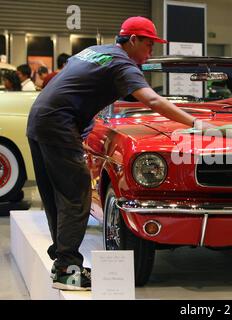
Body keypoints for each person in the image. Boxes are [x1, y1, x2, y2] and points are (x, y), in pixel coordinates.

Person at [26, 16, 215, 291]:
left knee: (57, 194)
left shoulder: (96, 51)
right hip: (58, 123)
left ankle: (63, 261)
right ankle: (68, 270)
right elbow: (151, 100)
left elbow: (73, 83)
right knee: (76, 195)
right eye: (149, 45)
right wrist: (198, 124)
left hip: (40, 119)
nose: (150, 52)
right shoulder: (122, 64)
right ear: (133, 40)